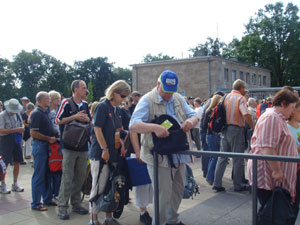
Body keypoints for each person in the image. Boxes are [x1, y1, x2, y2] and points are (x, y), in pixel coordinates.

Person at [129, 70, 199, 225]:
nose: (169, 96)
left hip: (179, 153)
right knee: (163, 195)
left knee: (179, 189)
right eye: (166, 91)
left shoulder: (178, 98)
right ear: (158, 84)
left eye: (171, 92)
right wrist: (154, 127)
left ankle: (172, 220)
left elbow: (194, 114)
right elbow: (133, 125)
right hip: (158, 155)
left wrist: (191, 121)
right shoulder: (147, 100)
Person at [247, 89, 299, 223]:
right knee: (270, 213)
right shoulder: (272, 117)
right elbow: (267, 148)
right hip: (268, 177)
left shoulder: (277, 117)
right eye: (292, 107)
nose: (292, 111)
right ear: (283, 103)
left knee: (272, 212)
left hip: (272, 176)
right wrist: (277, 171)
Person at [89, 80, 131, 225]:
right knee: (98, 186)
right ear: (114, 92)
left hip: (114, 153)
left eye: (126, 96)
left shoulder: (117, 110)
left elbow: (118, 130)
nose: (124, 99)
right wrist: (104, 149)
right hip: (101, 154)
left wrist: (123, 145)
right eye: (123, 95)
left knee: (110, 186)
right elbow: (97, 129)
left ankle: (108, 216)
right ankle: (93, 219)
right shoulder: (102, 107)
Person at [56, 80, 91, 220]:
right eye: (83, 88)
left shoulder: (85, 105)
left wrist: (87, 119)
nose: (86, 90)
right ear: (75, 89)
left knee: (80, 176)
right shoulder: (65, 103)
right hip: (69, 146)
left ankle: (76, 203)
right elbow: (58, 120)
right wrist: (75, 117)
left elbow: (89, 121)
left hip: (82, 146)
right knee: (67, 177)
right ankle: (62, 207)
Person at [213, 79, 254, 192]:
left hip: (224, 129)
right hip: (236, 129)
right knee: (237, 158)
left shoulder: (225, 97)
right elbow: (245, 114)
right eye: (244, 88)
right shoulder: (240, 98)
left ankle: (217, 183)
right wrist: (253, 126)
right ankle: (238, 184)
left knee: (222, 157)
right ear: (241, 88)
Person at [30, 92, 58, 211]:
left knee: (47, 174)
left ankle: (47, 199)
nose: (49, 100)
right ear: (41, 100)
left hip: (46, 145)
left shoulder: (44, 112)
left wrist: (55, 133)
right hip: (40, 145)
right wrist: (48, 138)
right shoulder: (37, 113)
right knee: (39, 175)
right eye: (47, 98)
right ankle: (36, 202)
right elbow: (33, 132)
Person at [0, 98, 25, 194]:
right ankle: (3, 184)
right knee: (4, 162)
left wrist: (21, 128)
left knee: (17, 160)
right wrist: (14, 130)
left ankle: (15, 183)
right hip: (5, 140)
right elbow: (1, 131)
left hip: (16, 139)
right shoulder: (2, 116)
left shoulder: (17, 114)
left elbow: (21, 124)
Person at [130, 131, 153, 225]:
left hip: (153, 149)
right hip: (139, 150)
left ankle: (151, 210)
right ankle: (143, 212)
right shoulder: (136, 116)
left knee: (152, 183)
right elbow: (133, 130)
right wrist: (137, 151)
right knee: (141, 184)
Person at [202, 94, 222, 185]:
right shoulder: (215, 111)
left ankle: (209, 176)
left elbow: (204, 125)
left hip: (208, 134)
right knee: (215, 156)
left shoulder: (208, 110)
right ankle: (210, 177)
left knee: (212, 156)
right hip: (213, 135)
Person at [48, 90, 62, 202]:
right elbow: (54, 127)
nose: (59, 100)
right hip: (52, 143)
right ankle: (53, 193)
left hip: (57, 142)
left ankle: (55, 192)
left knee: (57, 168)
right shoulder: (50, 113)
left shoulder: (56, 111)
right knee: (54, 168)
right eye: (57, 99)